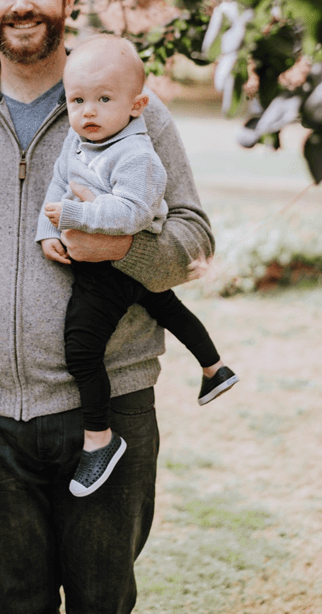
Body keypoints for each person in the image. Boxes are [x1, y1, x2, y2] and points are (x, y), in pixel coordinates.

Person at [0, 0, 215, 614]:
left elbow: (194, 237)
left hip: (109, 406)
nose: (21, 4)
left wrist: (121, 247)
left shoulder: (130, 106)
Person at [36, 34, 238, 498]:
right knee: (166, 307)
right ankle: (215, 368)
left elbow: (131, 213)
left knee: (82, 350)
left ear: (136, 105)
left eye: (104, 100)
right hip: (122, 265)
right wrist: (47, 230)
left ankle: (99, 439)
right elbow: (58, 184)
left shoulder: (136, 155)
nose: (88, 112)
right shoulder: (78, 141)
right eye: (77, 100)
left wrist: (75, 215)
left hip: (114, 266)